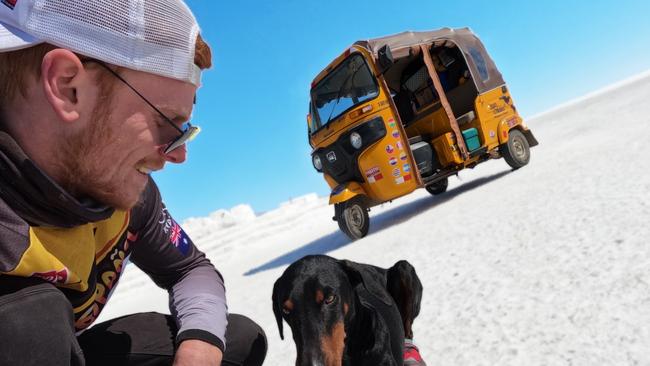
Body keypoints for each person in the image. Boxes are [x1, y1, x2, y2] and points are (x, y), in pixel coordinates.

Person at [0, 1, 266, 365]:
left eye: (184, 132)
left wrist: (198, 349)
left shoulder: (122, 195)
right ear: (67, 86)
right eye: (167, 123)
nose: (178, 154)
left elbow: (190, 269)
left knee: (234, 339)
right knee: (29, 321)